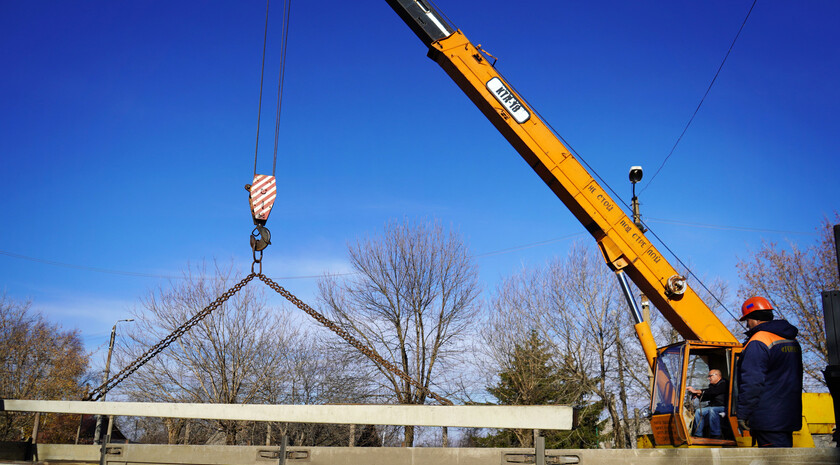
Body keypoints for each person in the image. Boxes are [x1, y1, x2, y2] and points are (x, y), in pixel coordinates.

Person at [736, 296, 803, 447]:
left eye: (747, 320)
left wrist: (743, 414)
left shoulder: (758, 341)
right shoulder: (792, 341)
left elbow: (752, 382)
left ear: (754, 320)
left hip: (767, 418)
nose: (747, 325)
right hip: (788, 415)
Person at [687, 369, 728, 438]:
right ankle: (698, 434)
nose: (709, 378)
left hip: (724, 407)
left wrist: (697, 391)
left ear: (717, 375)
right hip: (713, 407)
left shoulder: (724, 383)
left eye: (710, 376)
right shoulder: (712, 386)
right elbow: (708, 395)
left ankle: (716, 435)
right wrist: (697, 395)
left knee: (712, 410)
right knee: (698, 411)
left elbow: (714, 392)